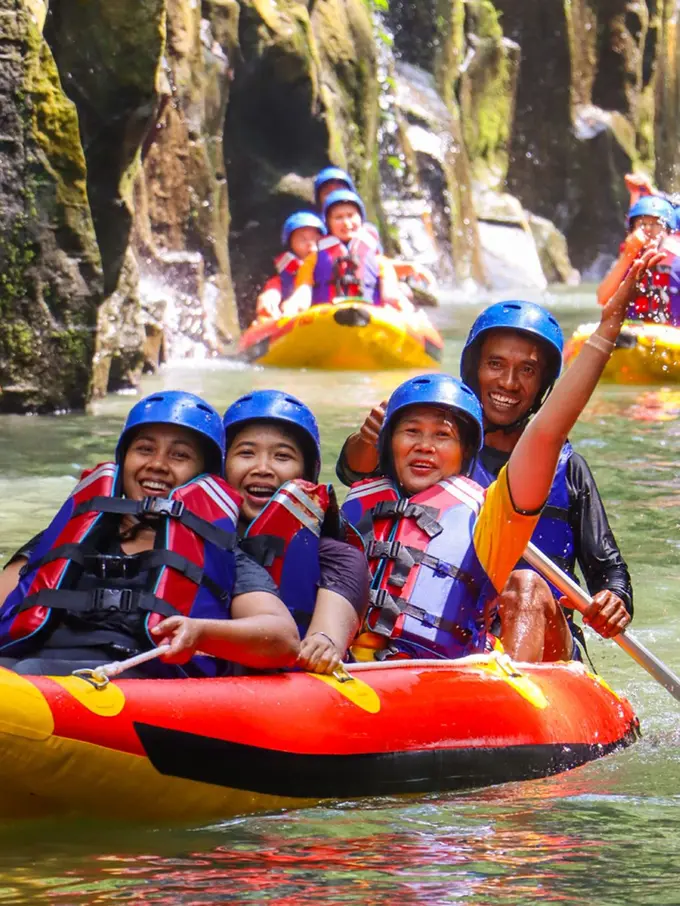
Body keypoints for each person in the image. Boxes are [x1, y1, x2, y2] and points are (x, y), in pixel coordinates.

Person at [337, 252, 659, 662]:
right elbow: (355, 470)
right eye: (496, 364)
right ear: (474, 369)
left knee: (523, 585)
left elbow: (608, 569)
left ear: (543, 384)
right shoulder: (437, 455)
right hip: (454, 633)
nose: (508, 382)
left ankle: (511, 693)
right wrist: (371, 435)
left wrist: (613, 599)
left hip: (540, 633)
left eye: (527, 370)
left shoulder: (560, 464)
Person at [0, 392, 299, 677]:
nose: (157, 465)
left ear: (203, 475)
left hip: (130, 677)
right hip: (30, 666)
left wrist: (201, 633)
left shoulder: (223, 553)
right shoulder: (64, 534)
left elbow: (282, 637)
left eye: (179, 455)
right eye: (144, 449)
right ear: (124, 460)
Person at [221, 390, 369, 674]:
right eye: (246, 453)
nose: (262, 468)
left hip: (294, 695)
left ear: (305, 473)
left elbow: (326, 637)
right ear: (222, 466)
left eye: (282, 456)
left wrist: (324, 643)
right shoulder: (192, 541)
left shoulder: (338, 557)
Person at [283, 190, 412, 315]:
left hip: (371, 318)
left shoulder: (379, 260)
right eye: (338, 217)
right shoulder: (313, 260)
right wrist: (296, 303)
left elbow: (389, 291)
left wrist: (395, 300)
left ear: (361, 220)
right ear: (328, 224)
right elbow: (303, 291)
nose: (346, 223)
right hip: (326, 319)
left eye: (351, 215)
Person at [597, 195, 678, 323]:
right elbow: (602, 298)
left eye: (655, 224)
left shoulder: (676, 261)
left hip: (670, 334)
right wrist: (627, 255)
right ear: (633, 229)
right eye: (642, 224)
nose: (648, 229)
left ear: (667, 230)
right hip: (633, 333)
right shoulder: (628, 260)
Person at [255, 212, 326, 322]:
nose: (310, 244)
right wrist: (269, 299)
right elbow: (273, 290)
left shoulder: (333, 265)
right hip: (298, 322)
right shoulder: (283, 278)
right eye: (303, 240)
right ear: (291, 246)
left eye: (316, 239)